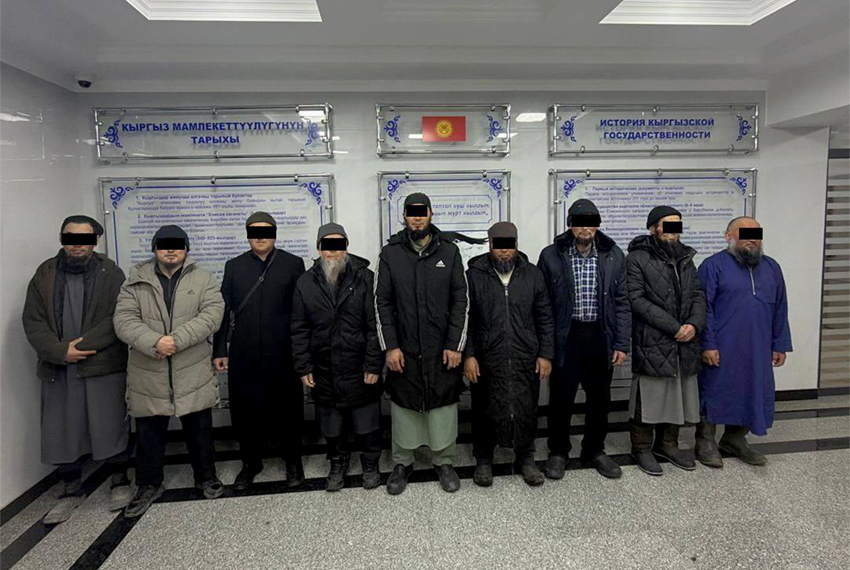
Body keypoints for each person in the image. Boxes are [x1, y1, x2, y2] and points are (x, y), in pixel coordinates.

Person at [22, 215, 131, 524]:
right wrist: (60, 351)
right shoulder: (45, 273)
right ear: (62, 239)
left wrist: (81, 347)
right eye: (71, 237)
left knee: (110, 422)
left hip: (101, 363)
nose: (78, 244)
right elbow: (33, 320)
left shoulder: (111, 272)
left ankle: (120, 480)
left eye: (85, 238)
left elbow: (118, 316)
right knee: (61, 427)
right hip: (58, 366)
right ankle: (71, 488)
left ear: (95, 240)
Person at [114, 225, 225, 518]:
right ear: (154, 248)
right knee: (149, 433)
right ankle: (149, 485)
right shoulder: (135, 280)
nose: (171, 250)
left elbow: (212, 314)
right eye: (164, 245)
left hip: (191, 368)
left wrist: (176, 340)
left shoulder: (203, 278)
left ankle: (206, 477)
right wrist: (155, 342)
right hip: (149, 370)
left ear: (186, 248)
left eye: (177, 244)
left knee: (199, 429)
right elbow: (123, 320)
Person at [374, 192, 469, 495]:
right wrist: (390, 346)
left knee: (443, 406)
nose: (417, 218)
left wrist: (455, 345)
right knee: (404, 406)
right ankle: (402, 462)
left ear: (430, 214)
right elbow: (381, 303)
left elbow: (461, 301)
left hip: (442, 349)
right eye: (411, 212)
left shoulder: (450, 252)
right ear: (404, 216)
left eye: (421, 212)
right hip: (404, 349)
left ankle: (444, 461)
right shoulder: (390, 254)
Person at [212, 212, 306, 490]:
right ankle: (250, 462)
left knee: (289, 407)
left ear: (275, 234)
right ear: (248, 235)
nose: (261, 237)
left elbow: (302, 309)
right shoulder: (234, 266)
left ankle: (293, 459)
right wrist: (220, 349)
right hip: (245, 351)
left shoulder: (292, 264)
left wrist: (303, 349)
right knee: (245, 409)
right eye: (255, 232)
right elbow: (223, 310)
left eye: (266, 231)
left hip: (284, 350)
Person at [538, 199, 631, 479]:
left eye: (591, 223)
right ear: (570, 225)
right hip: (566, 337)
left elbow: (622, 302)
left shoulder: (613, 255)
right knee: (561, 399)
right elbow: (542, 305)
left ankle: (594, 450)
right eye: (579, 222)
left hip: (600, 337)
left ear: (597, 226)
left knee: (600, 400)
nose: (585, 228)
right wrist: (546, 347)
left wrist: (621, 343)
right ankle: (558, 451)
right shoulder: (552, 255)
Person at [291, 223, 384, 492]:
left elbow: (375, 326)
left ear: (347, 247)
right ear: (319, 249)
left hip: (360, 366)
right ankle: (337, 462)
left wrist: (373, 364)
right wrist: (304, 366)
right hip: (324, 368)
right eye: (327, 246)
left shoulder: (365, 278)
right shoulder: (305, 282)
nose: (333, 252)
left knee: (367, 423)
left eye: (338, 245)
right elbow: (299, 329)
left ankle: (370, 464)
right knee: (331, 425)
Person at [464, 222, 554, 487]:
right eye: (498, 245)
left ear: (516, 245)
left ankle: (526, 458)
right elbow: (466, 320)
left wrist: (545, 354)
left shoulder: (533, 274)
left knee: (526, 406)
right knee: (484, 407)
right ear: (490, 245)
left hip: (525, 355)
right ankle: (483, 459)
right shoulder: (474, 276)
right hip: (486, 356)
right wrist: (469, 355)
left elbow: (545, 317)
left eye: (509, 245)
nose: (504, 251)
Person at [696, 216, 792, 467]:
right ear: (728, 236)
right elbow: (703, 309)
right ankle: (705, 441)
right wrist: (708, 344)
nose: (752, 239)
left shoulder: (772, 267)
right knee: (713, 390)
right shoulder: (712, 266)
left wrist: (779, 344)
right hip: (722, 345)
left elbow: (780, 307)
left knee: (752, 390)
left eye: (756, 234)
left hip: (758, 347)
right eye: (744, 233)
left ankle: (734, 439)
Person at [626, 206, 706, 476]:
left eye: (677, 225)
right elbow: (636, 299)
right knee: (648, 397)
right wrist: (675, 327)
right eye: (667, 225)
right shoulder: (637, 258)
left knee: (678, 394)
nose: (673, 231)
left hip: (685, 342)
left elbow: (697, 294)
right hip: (653, 340)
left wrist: (693, 324)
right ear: (653, 228)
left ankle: (667, 445)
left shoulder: (686, 257)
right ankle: (641, 448)